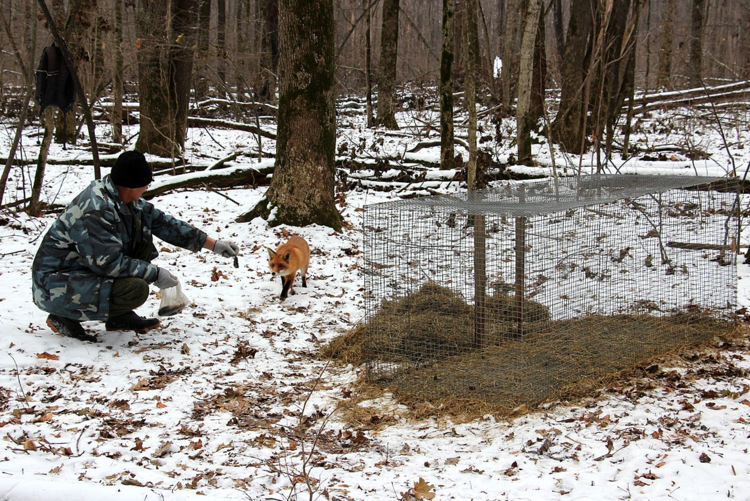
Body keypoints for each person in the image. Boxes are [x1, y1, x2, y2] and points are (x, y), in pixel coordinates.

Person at [31, 150, 239, 342]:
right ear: (132, 185)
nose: (148, 187)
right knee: (135, 289)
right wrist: (155, 274)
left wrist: (213, 244)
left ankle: (117, 317)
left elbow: (164, 224)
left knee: (141, 247)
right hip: (54, 285)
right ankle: (63, 316)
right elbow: (108, 264)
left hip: (83, 273)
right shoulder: (97, 208)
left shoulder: (125, 200)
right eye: (145, 183)